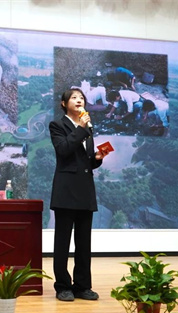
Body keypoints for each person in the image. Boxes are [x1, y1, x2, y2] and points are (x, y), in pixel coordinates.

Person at [49, 89, 110, 302]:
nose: (79, 100)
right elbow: (64, 150)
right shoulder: (58, 125)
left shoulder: (87, 128)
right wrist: (82, 128)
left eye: (82, 98)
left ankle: (83, 286)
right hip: (66, 190)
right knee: (62, 242)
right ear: (64, 103)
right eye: (74, 98)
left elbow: (86, 162)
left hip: (85, 190)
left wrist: (98, 158)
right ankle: (62, 286)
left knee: (84, 243)